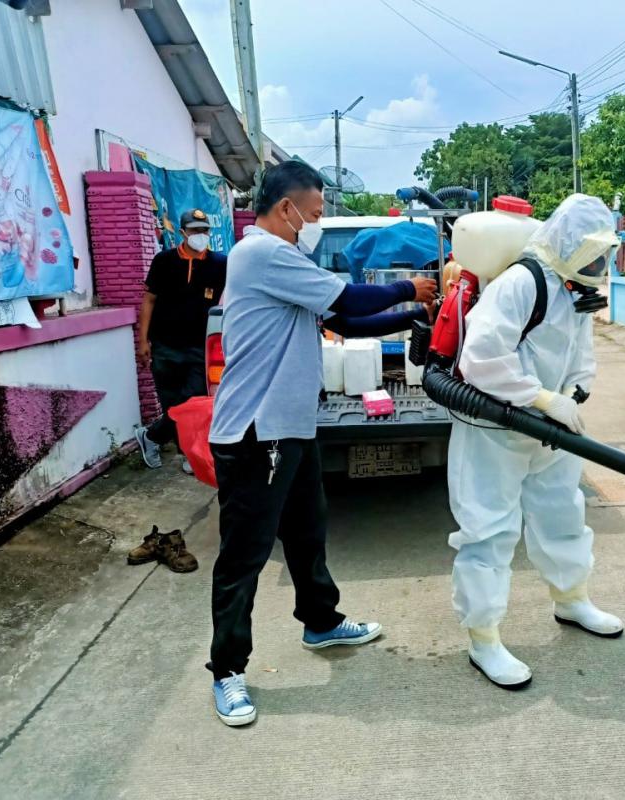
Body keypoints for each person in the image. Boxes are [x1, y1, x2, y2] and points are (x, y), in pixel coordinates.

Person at [206, 161, 437, 726]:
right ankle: (227, 670)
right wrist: (411, 286)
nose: (314, 223)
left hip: (291, 428)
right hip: (256, 433)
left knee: (308, 532)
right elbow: (352, 300)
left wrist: (414, 314)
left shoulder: (284, 262)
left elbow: (345, 323)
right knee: (244, 557)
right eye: (312, 213)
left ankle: (321, 622)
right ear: (286, 208)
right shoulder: (263, 254)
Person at [447, 193, 622, 689]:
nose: (599, 264)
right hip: (496, 431)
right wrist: (542, 398)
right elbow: (480, 358)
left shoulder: (572, 288)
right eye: (592, 252)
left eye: (605, 254)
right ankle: (483, 638)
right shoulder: (521, 282)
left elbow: (580, 352)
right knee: (489, 530)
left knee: (563, 512)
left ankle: (572, 600)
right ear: (568, 243)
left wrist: (574, 393)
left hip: (550, 431)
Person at [136, 209, 226, 474]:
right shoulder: (164, 261)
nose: (200, 235)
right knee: (172, 405)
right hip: (165, 346)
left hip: (200, 347)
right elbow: (149, 301)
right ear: (182, 232)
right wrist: (143, 341)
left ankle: (152, 436)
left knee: (194, 402)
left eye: (204, 230)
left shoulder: (220, 264)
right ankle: (187, 451)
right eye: (195, 230)